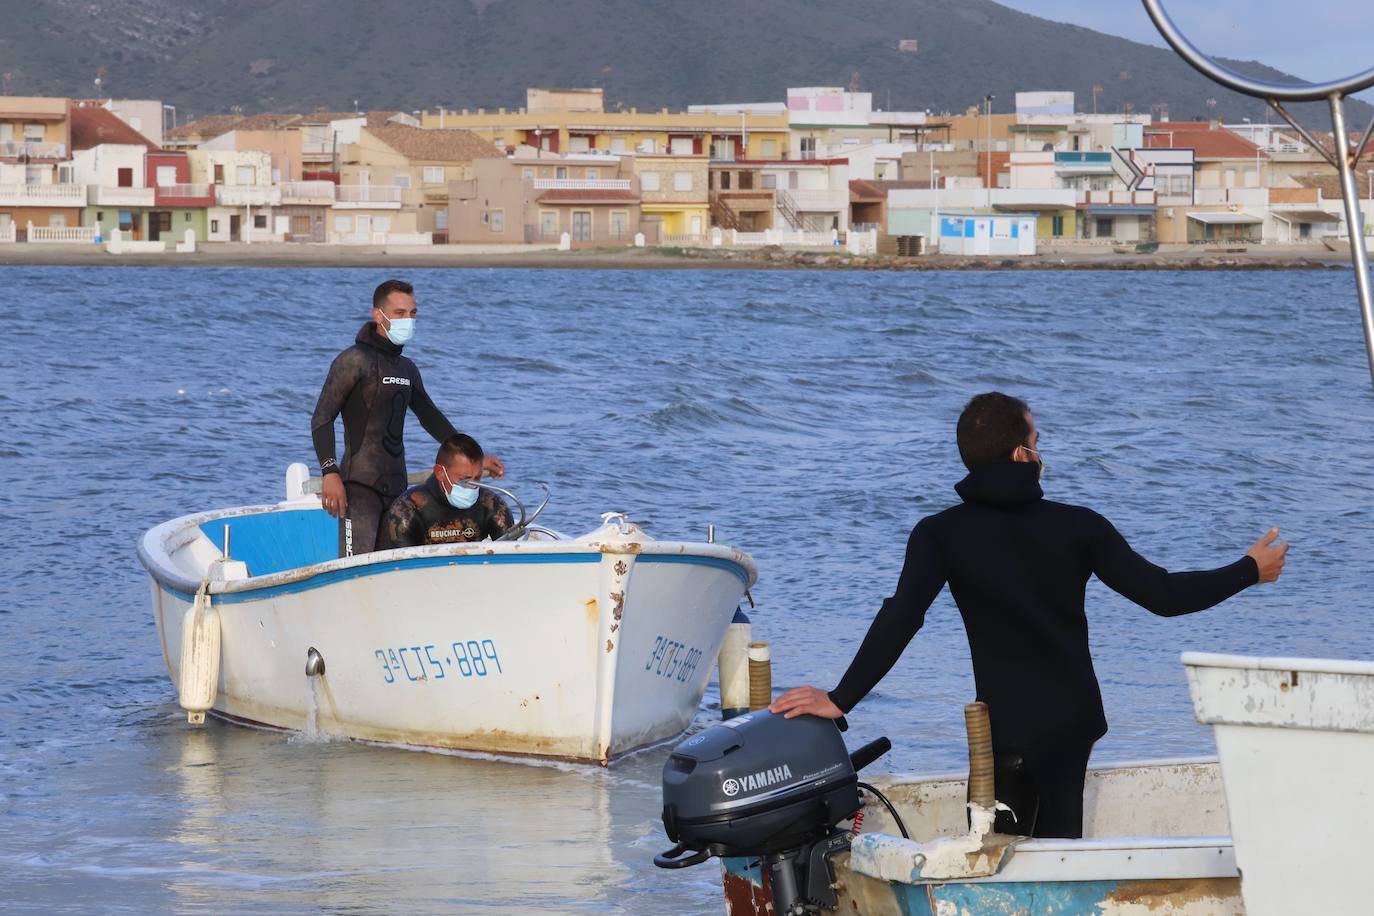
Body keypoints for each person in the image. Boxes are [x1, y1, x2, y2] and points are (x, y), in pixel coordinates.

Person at [771, 392, 1288, 839]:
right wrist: (1249, 569)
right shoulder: (1079, 526)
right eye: (1038, 439)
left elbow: (901, 617)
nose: (1042, 452)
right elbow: (1164, 595)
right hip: (1072, 723)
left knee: (1006, 853)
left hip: (1004, 728)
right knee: (1061, 851)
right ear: (1023, 453)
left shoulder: (939, 533)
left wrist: (841, 699)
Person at [311, 278, 504, 556]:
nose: (408, 319)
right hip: (360, 487)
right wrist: (330, 472)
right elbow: (321, 418)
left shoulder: (406, 368)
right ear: (378, 315)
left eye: (413, 313)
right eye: (400, 313)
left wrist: (475, 459)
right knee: (358, 566)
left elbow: (430, 416)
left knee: (394, 566)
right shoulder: (353, 360)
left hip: (398, 487)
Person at [377, 434, 513, 549]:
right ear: (440, 473)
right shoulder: (407, 509)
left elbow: (510, 558)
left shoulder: (492, 505)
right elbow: (400, 567)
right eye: (464, 480)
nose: (472, 486)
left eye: (476, 478)